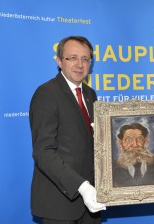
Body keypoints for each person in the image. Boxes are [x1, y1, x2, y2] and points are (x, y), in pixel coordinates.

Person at [29, 36, 106, 224]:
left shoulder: (90, 94)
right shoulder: (46, 93)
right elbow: (43, 152)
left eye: (85, 59)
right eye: (72, 58)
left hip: (91, 202)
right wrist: (82, 186)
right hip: (59, 202)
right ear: (59, 62)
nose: (80, 64)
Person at [112, 122, 154, 187]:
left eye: (139, 139)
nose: (135, 144)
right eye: (129, 140)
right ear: (121, 143)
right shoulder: (114, 171)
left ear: (145, 141)